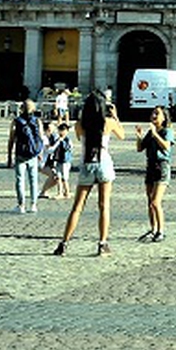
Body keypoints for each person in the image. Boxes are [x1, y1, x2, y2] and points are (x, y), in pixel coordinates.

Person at [54, 91, 126, 257]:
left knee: (77, 207)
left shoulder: (80, 124)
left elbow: (81, 139)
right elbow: (122, 135)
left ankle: (64, 243)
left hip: (87, 164)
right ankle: (102, 243)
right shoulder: (108, 123)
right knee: (104, 206)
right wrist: (115, 116)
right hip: (104, 163)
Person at [136, 105, 174, 242]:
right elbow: (140, 148)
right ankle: (153, 229)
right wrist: (139, 136)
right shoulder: (150, 132)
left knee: (155, 201)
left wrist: (155, 134)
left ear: (164, 117)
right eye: (153, 113)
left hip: (161, 166)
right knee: (150, 201)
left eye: (157, 113)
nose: (153, 115)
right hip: (150, 166)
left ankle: (161, 231)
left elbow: (166, 146)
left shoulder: (167, 131)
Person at [7, 98, 47, 213]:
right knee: (33, 180)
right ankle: (33, 204)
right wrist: (40, 152)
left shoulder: (16, 121)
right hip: (33, 154)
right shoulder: (37, 121)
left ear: (21, 108)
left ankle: (21, 205)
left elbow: (11, 140)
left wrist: (9, 156)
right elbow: (41, 138)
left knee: (20, 180)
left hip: (20, 153)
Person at [38, 119, 74, 201]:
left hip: (55, 162)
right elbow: (50, 150)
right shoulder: (44, 138)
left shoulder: (53, 137)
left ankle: (63, 192)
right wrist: (58, 142)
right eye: (50, 129)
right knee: (56, 176)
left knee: (58, 177)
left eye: (53, 129)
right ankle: (47, 192)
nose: (52, 131)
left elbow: (67, 147)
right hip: (42, 163)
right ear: (46, 130)